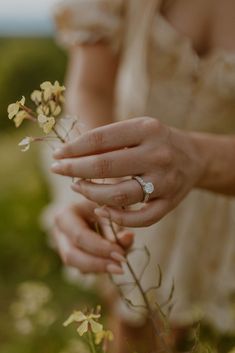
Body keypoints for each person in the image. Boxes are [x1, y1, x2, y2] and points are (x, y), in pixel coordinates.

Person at [50, 0, 235, 351]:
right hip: (127, 184)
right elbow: (92, 88)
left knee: (176, 331)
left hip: (222, 190)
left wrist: (197, 157)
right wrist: (98, 187)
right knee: (133, 325)